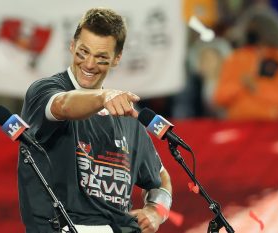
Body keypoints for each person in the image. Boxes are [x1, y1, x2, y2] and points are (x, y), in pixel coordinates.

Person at [18, 7, 172, 233]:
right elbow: (63, 105)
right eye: (83, 52)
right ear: (72, 46)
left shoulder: (126, 113)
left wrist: (156, 211)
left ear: (117, 59)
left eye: (101, 58)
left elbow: (160, 177)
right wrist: (102, 96)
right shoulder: (45, 91)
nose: (89, 64)